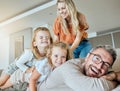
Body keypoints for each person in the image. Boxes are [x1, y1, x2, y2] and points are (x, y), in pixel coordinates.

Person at [38, 45, 118, 91]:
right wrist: (115, 78)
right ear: (87, 57)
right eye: (97, 58)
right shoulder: (69, 68)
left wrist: (114, 75)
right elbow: (98, 87)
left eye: (106, 64)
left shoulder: (102, 70)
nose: (99, 66)